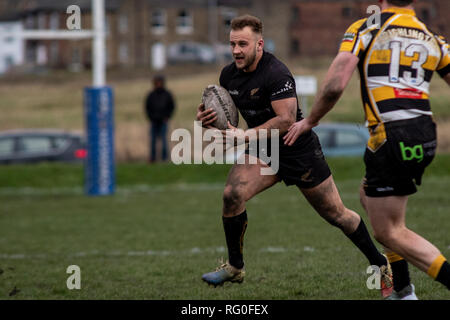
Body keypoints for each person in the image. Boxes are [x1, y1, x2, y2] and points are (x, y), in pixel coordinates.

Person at [196, 14, 393, 298]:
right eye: (232, 44)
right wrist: (206, 118)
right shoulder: (228, 75)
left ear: (259, 44)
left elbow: (286, 120)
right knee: (231, 194)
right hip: (265, 150)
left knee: (337, 215)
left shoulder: (276, 73)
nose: (236, 50)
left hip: (298, 150)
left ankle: (381, 264)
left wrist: (246, 135)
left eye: (243, 44)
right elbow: (226, 113)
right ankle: (235, 267)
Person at [284, 0, 450, 300]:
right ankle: (402, 289)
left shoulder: (366, 27)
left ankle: (412, 290)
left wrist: (311, 120)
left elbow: (335, 85)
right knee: (368, 197)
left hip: (391, 135)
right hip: (425, 134)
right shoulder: (430, 34)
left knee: (389, 231)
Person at [145, 74, 175, 163]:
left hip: (163, 121)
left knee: (164, 141)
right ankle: (152, 159)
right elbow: (147, 107)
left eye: (159, 82)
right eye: (156, 82)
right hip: (154, 121)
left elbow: (172, 106)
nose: (158, 84)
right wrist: (150, 117)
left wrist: (168, 116)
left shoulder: (167, 94)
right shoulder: (151, 95)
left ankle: (164, 158)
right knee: (153, 141)